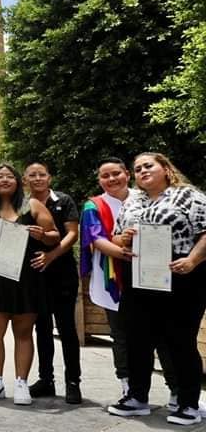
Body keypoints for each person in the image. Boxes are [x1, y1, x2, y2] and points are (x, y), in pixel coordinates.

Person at [108, 153, 206, 426]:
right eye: (137, 169)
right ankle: (137, 399)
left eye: (148, 165)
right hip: (140, 278)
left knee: (180, 341)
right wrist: (123, 239)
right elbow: (116, 235)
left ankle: (188, 404)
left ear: (165, 168)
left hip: (181, 276)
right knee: (137, 340)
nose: (142, 171)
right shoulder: (133, 200)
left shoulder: (188, 196)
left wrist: (193, 260)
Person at [80, 157, 180, 402]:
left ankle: (177, 390)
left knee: (164, 334)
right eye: (105, 176)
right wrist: (122, 251)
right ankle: (128, 385)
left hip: (154, 276)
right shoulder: (93, 206)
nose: (112, 179)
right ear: (99, 180)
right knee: (122, 334)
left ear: (126, 173)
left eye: (116, 173)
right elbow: (96, 238)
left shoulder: (146, 197)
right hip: (114, 276)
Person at [0, 164, 58, 406]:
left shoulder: (32, 206)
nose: (5, 180)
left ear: (18, 181)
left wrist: (42, 235)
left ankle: (21, 383)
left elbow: (55, 236)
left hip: (26, 279)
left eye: (9, 176)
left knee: (23, 333)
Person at [24, 161, 83, 404]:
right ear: (25, 180)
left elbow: (72, 234)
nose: (37, 178)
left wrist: (51, 255)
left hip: (62, 272)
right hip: (35, 274)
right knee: (42, 329)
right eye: (32, 175)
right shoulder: (22, 204)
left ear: (49, 177)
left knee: (67, 328)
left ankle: (73, 382)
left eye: (42, 174)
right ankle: (46, 379)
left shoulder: (64, 200)